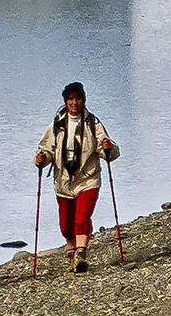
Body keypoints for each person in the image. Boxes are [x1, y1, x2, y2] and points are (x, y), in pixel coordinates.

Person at [33, 82, 119, 272]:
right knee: (65, 226)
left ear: (83, 100)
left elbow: (108, 150)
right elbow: (45, 151)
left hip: (88, 179)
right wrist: (41, 159)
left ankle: (81, 254)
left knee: (82, 217)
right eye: (71, 99)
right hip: (63, 182)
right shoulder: (56, 125)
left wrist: (108, 148)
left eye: (78, 98)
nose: (74, 102)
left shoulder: (92, 123)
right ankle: (72, 254)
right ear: (65, 102)